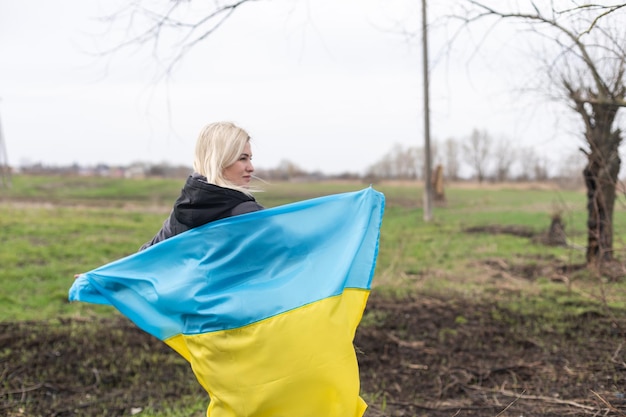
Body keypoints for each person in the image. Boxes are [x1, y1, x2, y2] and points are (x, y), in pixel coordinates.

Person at [139, 121, 264, 251]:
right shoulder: (248, 214)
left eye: (250, 159)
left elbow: (144, 258)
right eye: (243, 158)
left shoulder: (183, 211)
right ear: (219, 161)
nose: (251, 168)